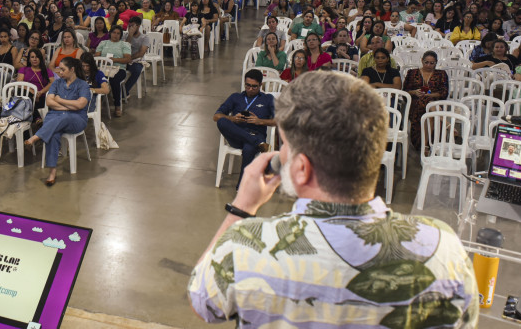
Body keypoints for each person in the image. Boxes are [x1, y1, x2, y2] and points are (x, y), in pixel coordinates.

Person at [189, 72, 478, 327]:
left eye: (286, 146)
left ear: (301, 169)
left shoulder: (249, 246)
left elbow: (203, 301)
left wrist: (241, 208)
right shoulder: (443, 249)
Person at [24, 56, 90, 186]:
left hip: (76, 119)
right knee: (53, 134)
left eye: (63, 69)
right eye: (59, 69)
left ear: (72, 69)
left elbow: (81, 104)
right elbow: (49, 102)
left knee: (65, 117)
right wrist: (68, 106)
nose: (59, 72)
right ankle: (52, 173)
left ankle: (35, 137)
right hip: (55, 116)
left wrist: (60, 100)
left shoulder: (83, 85)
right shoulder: (57, 83)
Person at [213, 69, 276, 189]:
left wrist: (260, 121)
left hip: (256, 133)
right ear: (244, 83)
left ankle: (241, 187)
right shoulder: (235, 97)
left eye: (254, 87)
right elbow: (216, 116)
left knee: (248, 149)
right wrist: (233, 119)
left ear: (260, 85)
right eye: (248, 85)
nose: (250, 89)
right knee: (222, 121)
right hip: (236, 136)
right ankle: (258, 143)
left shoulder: (268, 99)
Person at [403, 51, 449, 146]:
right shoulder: (412, 73)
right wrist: (414, 92)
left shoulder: (441, 74)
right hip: (416, 103)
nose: (428, 65)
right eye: (426, 62)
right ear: (422, 60)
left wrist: (429, 95)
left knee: (428, 104)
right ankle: (446, 123)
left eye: (432, 63)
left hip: (435, 101)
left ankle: (425, 145)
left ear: (436, 62)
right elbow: (405, 91)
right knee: (428, 104)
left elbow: (444, 93)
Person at [95, 25, 131, 117]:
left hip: (119, 68)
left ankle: (117, 105)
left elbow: (127, 59)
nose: (115, 35)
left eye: (118, 33)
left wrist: (114, 60)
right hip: (103, 68)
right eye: (114, 33)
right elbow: (97, 55)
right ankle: (93, 104)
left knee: (114, 81)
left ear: (121, 35)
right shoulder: (103, 43)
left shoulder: (124, 44)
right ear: (110, 33)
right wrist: (104, 60)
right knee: (93, 77)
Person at [16, 48, 55, 123]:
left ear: (40, 58)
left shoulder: (47, 71)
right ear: (29, 59)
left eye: (37, 57)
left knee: (24, 101)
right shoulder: (24, 69)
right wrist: (33, 92)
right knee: (22, 92)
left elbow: (52, 83)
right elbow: (19, 83)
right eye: (32, 57)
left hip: (41, 97)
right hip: (27, 95)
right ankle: (37, 117)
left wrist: (40, 93)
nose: (35, 59)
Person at [124, 16, 149, 96]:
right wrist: (130, 35)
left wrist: (129, 58)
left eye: (133, 26)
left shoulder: (144, 37)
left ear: (138, 26)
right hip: (124, 59)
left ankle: (124, 91)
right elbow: (125, 48)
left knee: (136, 70)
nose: (130, 28)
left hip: (136, 60)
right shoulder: (125, 36)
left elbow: (141, 53)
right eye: (129, 26)